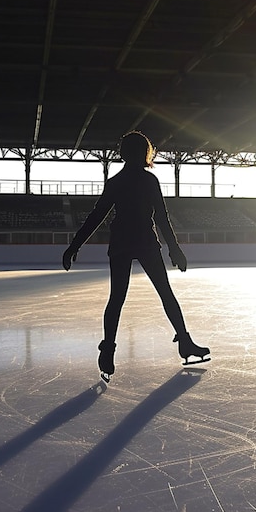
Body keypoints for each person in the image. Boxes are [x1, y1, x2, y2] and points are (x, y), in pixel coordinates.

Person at [62, 131, 210, 382]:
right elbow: (162, 217)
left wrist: (74, 246)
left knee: (117, 299)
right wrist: (174, 248)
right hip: (144, 241)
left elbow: (97, 216)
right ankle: (184, 342)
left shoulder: (116, 182)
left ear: (123, 154)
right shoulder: (148, 181)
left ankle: (107, 351)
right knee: (165, 293)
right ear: (145, 153)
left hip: (121, 242)